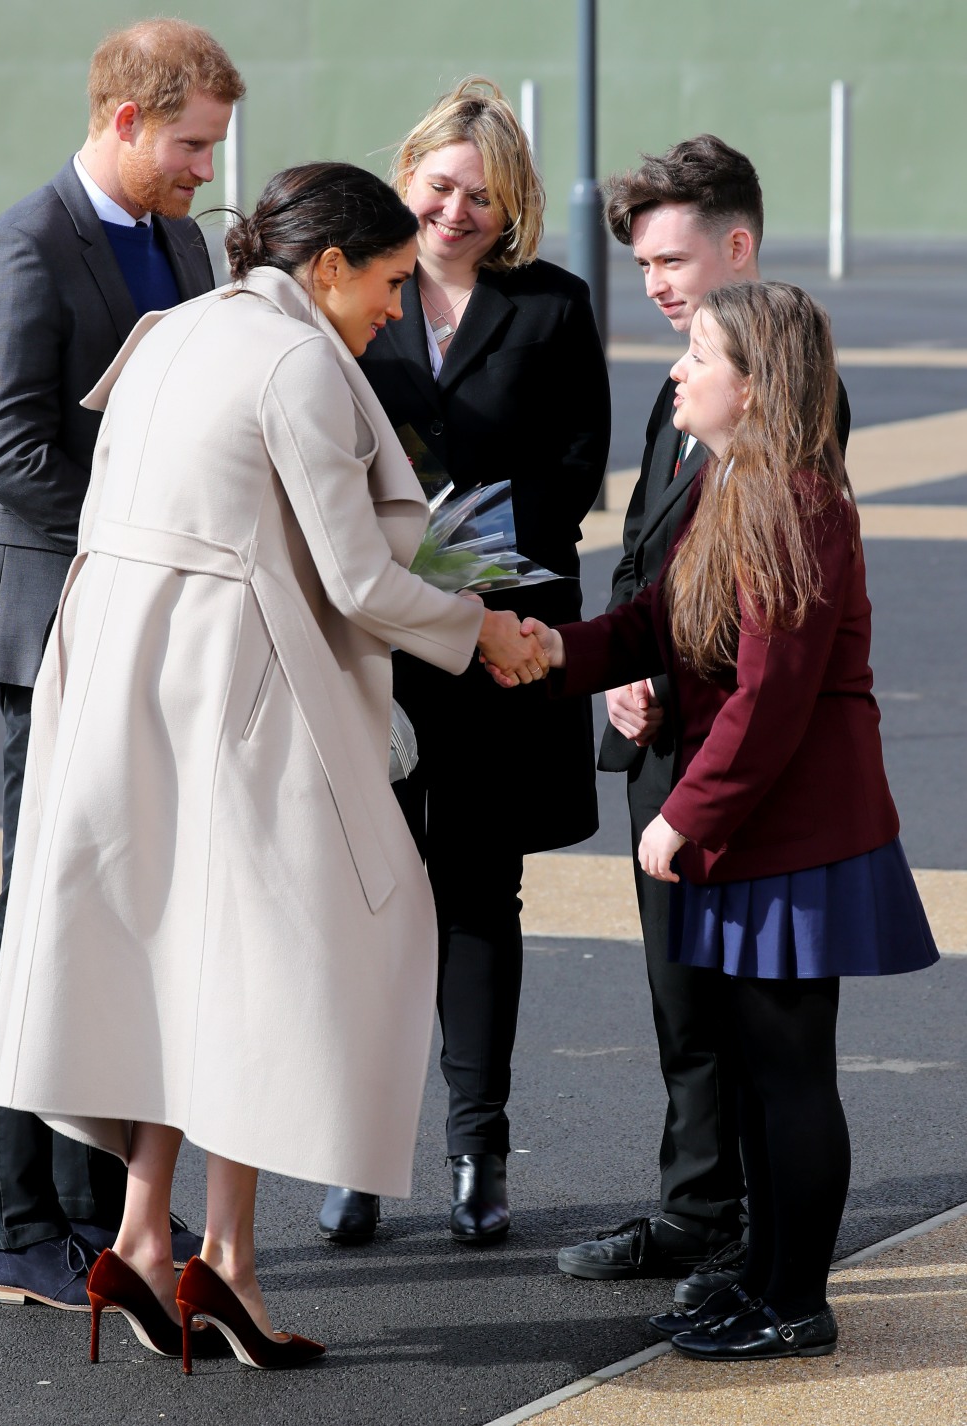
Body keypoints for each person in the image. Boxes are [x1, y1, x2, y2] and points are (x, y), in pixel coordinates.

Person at [0, 161, 549, 1369]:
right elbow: (353, 577)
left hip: (126, 686)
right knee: (280, 961)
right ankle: (222, 1261)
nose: (397, 307)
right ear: (328, 264)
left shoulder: (171, 330)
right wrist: (484, 629)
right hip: (240, 689)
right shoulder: (297, 361)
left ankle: (143, 1238)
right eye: (389, 281)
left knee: (177, 962)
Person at [510, 280, 938, 1360]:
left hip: (794, 836)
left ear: (749, 385)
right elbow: (661, 618)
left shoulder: (792, 496)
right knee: (755, 1069)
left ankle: (795, 1301)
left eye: (695, 354)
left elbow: (771, 693)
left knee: (788, 1070)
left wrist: (683, 816)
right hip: (757, 831)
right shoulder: (734, 481)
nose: (673, 370)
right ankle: (755, 1275)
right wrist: (559, 650)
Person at [0, 18, 244, 1309]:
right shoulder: (21, 248)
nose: (203, 172)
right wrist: (154, 536)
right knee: (40, 922)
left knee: (120, 920)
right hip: (54, 622)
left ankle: (98, 1210)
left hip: (143, 625)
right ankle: (22, 1228)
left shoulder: (179, 240)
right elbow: (11, 452)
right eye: (189, 146)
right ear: (124, 119)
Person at [556, 135, 851, 1306]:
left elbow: (774, 624)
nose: (657, 283)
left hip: (741, 767)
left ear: (738, 246)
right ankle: (702, 1214)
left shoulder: (782, 403)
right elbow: (649, 562)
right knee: (683, 1007)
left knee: (765, 1044)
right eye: (640, 264)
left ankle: (766, 1269)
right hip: (663, 738)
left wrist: (666, 684)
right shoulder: (681, 383)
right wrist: (606, 665)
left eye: (673, 258)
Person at [316, 78, 610, 1246]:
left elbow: (573, 468)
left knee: (480, 898)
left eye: (479, 198)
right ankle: (351, 1153)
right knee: (363, 900)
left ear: (513, 206)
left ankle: (475, 1155)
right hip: (374, 643)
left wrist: (468, 560)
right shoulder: (346, 297)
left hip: (499, 637)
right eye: (438, 186)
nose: (453, 212)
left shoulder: (550, 306)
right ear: (406, 178)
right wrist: (404, 569)